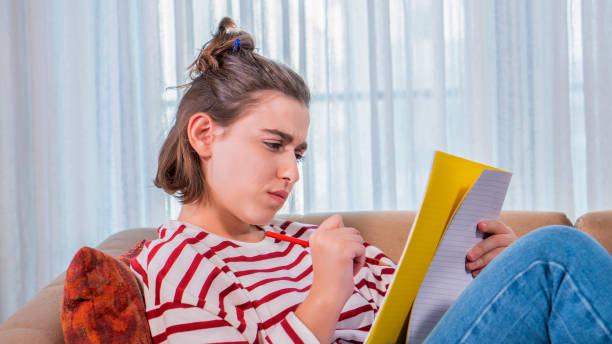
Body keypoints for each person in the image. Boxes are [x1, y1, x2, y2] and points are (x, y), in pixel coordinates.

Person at [131, 17, 612, 343]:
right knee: (558, 254)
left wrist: (490, 276)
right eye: (273, 144)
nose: (292, 172)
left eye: (298, 153)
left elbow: (427, 324)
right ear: (204, 135)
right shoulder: (175, 264)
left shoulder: (309, 240)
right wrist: (326, 293)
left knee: (543, 260)